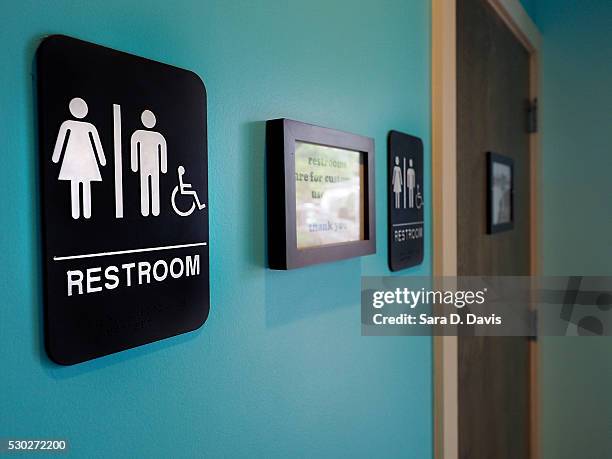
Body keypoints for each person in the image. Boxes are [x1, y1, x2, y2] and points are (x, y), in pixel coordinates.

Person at [52, 97, 106, 219]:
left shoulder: (89, 127)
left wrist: (102, 160)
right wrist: (56, 157)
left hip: (85, 160)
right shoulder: (69, 125)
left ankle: (86, 212)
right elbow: (60, 142)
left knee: (83, 184)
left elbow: (97, 144)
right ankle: (77, 213)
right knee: (76, 184)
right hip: (74, 160)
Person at [130, 110, 167, 217]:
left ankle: (155, 209)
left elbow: (163, 151)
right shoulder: (138, 134)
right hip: (144, 166)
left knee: (154, 186)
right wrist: (134, 166)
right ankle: (145, 209)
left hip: (154, 166)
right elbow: (134, 150)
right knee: (145, 186)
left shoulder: (158, 137)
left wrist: (163, 167)